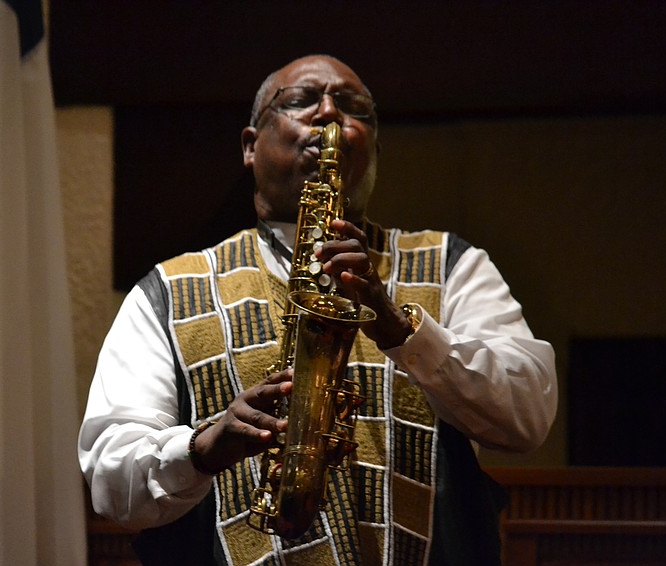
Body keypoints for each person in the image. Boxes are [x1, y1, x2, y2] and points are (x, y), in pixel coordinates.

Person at [78, 54, 557, 565]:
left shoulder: (453, 264)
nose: (329, 114)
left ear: (373, 148)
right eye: (301, 101)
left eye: (354, 108)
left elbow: (526, 416)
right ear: (249, 146)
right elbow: (112, 478)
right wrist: (204, 447)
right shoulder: (168, 289)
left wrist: (400, 328)